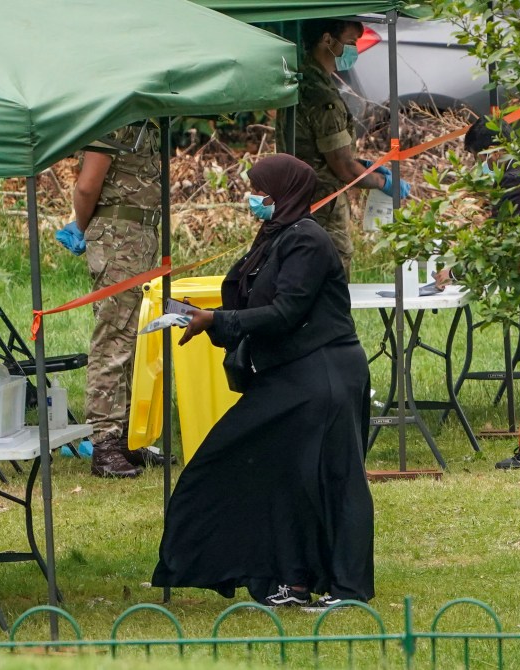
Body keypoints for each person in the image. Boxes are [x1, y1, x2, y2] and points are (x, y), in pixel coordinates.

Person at [152, 154, 375, 609]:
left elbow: (287, 312)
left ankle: (348, 588)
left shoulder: (308, 241)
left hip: (323, 374)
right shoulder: (276, 236)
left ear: (285, 192)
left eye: (260, 191)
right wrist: (205, 317)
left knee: (335, 478)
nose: (252, 199)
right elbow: (252, 296)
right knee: (274, 474)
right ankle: (290, 578)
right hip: (287, 373)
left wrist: (218, 321)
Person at [433, 118, 520, 469]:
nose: (475, 168)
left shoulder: (516, 181)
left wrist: (456, 271)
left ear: (487, 153)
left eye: (474, 159)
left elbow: (501, 248)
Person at [58, 122, 171, 478]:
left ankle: (126, 437)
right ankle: (105, 442)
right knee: (114, 339)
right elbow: (87, 186)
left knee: (136, 339)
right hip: (118, 237)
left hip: (139, 235)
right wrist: (82, 225)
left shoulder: (145, 123)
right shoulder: (115, 120)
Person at [276, 18, 411, 279]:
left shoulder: (300, 80)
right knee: (331, 277)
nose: (354, 50)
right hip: (321, 205)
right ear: (327, 40)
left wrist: (361, 164)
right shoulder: (321, 95)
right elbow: (343, 167)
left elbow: (317, 149)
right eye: (350, 42)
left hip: (296, 200)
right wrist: (381, 181)